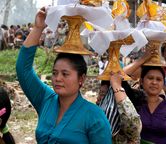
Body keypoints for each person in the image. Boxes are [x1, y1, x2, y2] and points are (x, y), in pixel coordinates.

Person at [16, 7, 112, 144]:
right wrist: (38, 28)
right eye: (55, 73)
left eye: (65, 74)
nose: (57, 78)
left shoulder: (94, 116)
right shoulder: (46, 100)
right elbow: (23, 70)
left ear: (81, 79)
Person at [97, 72, 142, 144]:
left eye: (103, 94)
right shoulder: (96, 121)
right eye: (99, 93)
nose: (98, 98)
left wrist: (116, 86)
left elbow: (134, 127)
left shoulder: (126, 130)